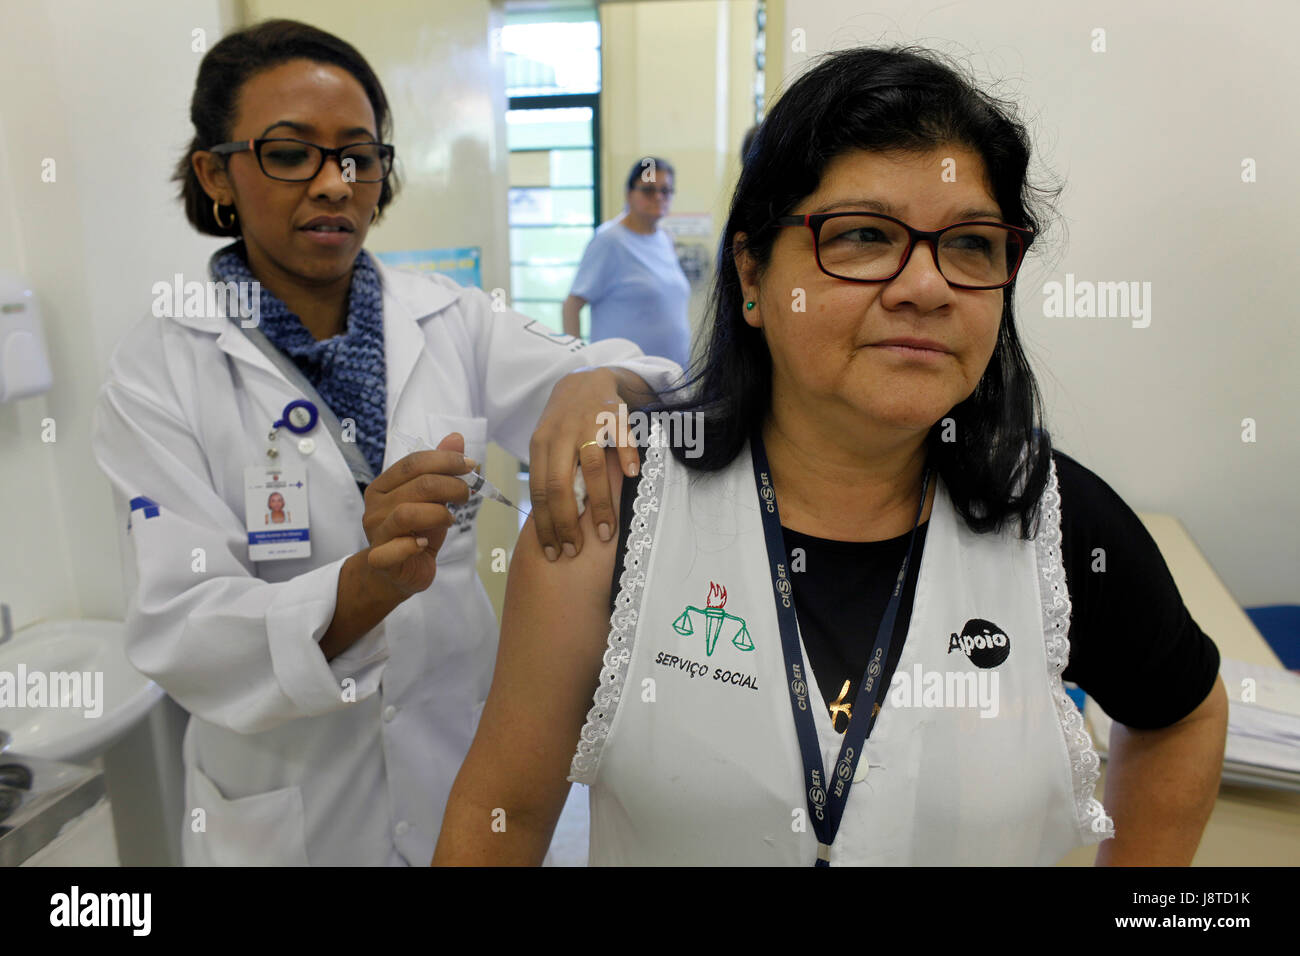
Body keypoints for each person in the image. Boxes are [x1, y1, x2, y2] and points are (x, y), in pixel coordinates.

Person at [434, 46, 1227, 866]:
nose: (926, 285)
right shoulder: (616, 508)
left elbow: (1185, 714)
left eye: (970, 245)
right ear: (752, 271)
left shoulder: (1060, 522)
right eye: (862, 236)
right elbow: (503, 813)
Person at [91, 19, 678, 867]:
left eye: (359, 156)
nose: (335, 184)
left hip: (460, 788)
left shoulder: (451, 319)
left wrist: (599, 383)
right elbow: (179, 630)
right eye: (292, 154)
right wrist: (360, 588)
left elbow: (657, 380)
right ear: (218, 173)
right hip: (288, 815)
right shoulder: (161, 368)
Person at [561, 158, 692, 369]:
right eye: (648, 190)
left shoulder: (665, 238)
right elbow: (571, 306)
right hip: (623, 377)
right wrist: (578, 364)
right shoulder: (610, 240)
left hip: (670, 375)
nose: (658, 197)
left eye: (665, 190)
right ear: (629, 194)